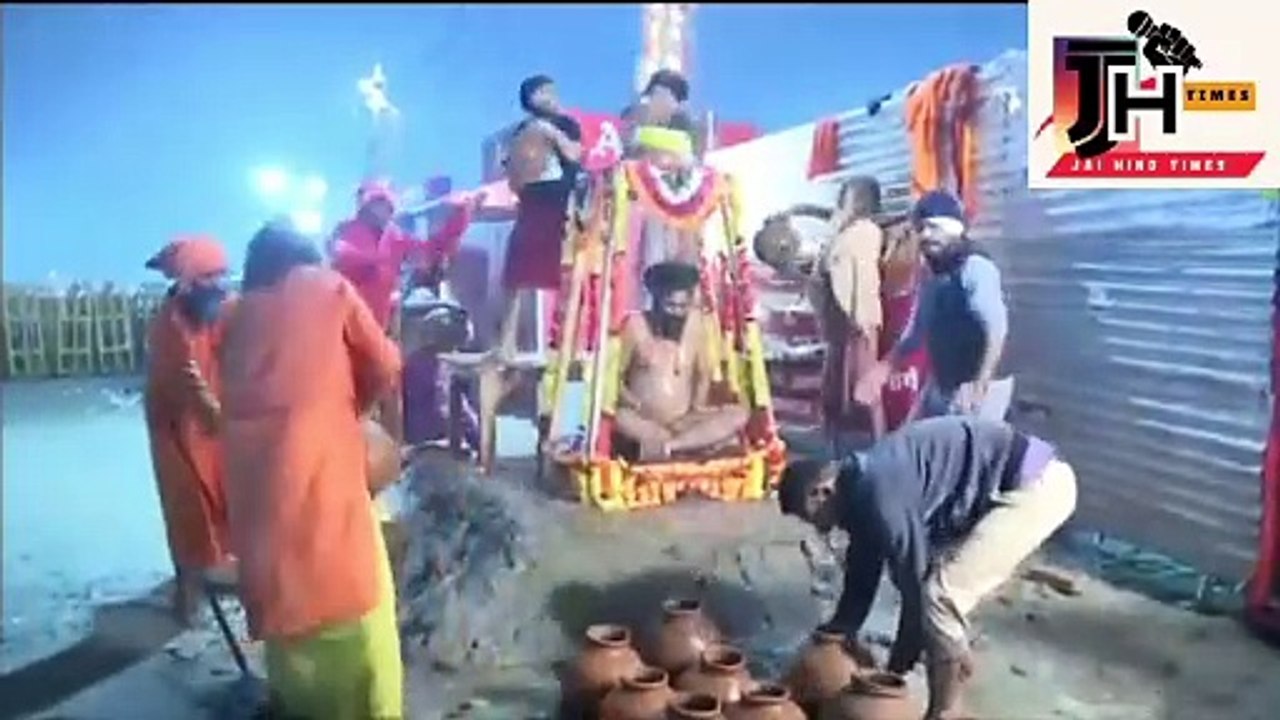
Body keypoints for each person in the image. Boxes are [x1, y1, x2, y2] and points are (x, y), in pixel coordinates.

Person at [219, 223, 405, 720]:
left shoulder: (231, 317)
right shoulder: (330, 289)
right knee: (357, 613)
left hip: (255, 495)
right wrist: (349, 413)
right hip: (323, 478)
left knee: (287, 617)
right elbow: (385, 365)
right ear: (307, 260)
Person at [777, 416, 1078, 719]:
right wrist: (837, 632)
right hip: (995, 490)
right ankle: (954, 665)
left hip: (1036, 486)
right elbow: (861, 577)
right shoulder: (859, 490)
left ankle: (944, 712)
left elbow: (916, 588)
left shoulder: (879, 492)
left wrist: (895, 670)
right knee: (941, 608)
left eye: (811, 518)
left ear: (822, 492)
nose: (820, 530)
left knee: (940, 597)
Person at [142, 234, 237, 625]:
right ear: (185, 284)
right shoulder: (169, 330)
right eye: (208, 279)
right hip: (177, 429)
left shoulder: (219, 310)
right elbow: (191, 386)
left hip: (215, 421)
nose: (218, 286)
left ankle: (225, 577)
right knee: (188, 509)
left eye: (222, 276)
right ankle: (189, 599)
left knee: (226, 497)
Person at [856, 189, 1011, 420]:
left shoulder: (976, 268)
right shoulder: (933, 273)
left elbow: (996, 330)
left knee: (963, 452)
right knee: (915, 442)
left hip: (979, 384)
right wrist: (884, 368)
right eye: (921, 229)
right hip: (943, 383)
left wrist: (980, 385)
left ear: (954, 230)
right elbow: (916, 330)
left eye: (934, 227)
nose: (926, 235)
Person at [615, 261, 748, 460]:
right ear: (656, 300)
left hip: (682, 420)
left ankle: (672, 446)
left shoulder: (697, 327)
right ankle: (688, 443)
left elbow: (703, 373)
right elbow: (613, 377)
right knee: (620, 418)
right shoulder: (635, 325)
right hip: (643, 419)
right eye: (670, 306)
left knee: (737, 414)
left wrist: (697, 406)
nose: (677, 312)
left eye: (683, 307)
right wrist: (632, 402)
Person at [491, 74, 584, 361]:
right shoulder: (520, 130)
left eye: (552, 90)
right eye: (543, 91)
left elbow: (575, 154)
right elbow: (511, 169)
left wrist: (550, 133)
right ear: (530, 99)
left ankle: (568, 343)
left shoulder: (567, 125)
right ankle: (506, 344)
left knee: (565, 273)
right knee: (515, 274)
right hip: (531, 201)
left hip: (560, 202)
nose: (551, 96)